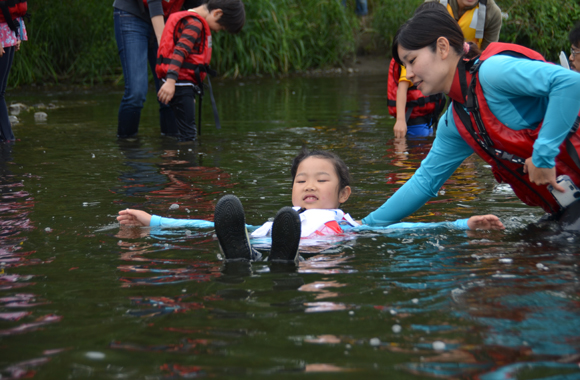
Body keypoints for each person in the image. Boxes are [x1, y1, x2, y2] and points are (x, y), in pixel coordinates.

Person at [362, 6, 580, 230]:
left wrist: (543, 155)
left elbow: (571, 84)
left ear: (442, 47)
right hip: (568, 208)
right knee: (532, 244)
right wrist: (363, 226)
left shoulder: (493, 72)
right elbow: (424, 182)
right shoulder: (455, 122)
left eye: (412, 60)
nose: (408, 73)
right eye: (404, 66)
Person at [118, 148, 505, 262]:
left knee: (305, 261)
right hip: (268, 241)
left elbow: (403, 230)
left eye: (322, 180)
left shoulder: (349, 221)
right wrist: (154, 221)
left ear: (343, 194)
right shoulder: (281, 218)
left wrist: (459, 226)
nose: (309, 186)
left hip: (318, 255)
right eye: (301, 180)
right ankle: (243, 257)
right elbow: (206, 226)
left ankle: (280, 261)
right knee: (244, 233)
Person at [156, 0, 245, 142]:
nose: (217, 30)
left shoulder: (187, 18)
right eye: (221, 26)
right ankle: (187, 163)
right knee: (189, 136)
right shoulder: (195, 24)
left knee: (179, 133)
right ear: (217, 13)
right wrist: (171, 81)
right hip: (179, 85)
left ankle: (172, 162)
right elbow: (179, 52)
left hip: (179, 85)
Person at [113, 0, 183, 139]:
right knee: (136, 93)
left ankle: (173, 148)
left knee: (172, 91)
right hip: (133, 15)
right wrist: (166, 47)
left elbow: (197, 6)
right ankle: (127, 145)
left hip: (169, 18)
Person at [0, 0, 27, 142]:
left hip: (9, 35)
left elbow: (15, 11)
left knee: (1, 91)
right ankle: (8, 137)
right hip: (1, 37)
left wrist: (18, 34)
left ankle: (6, 137)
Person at [428, 0, 502, 50]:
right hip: (436, 60)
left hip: (469, 66)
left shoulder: (492, 13)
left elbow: (487, 55)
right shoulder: (432, 3)